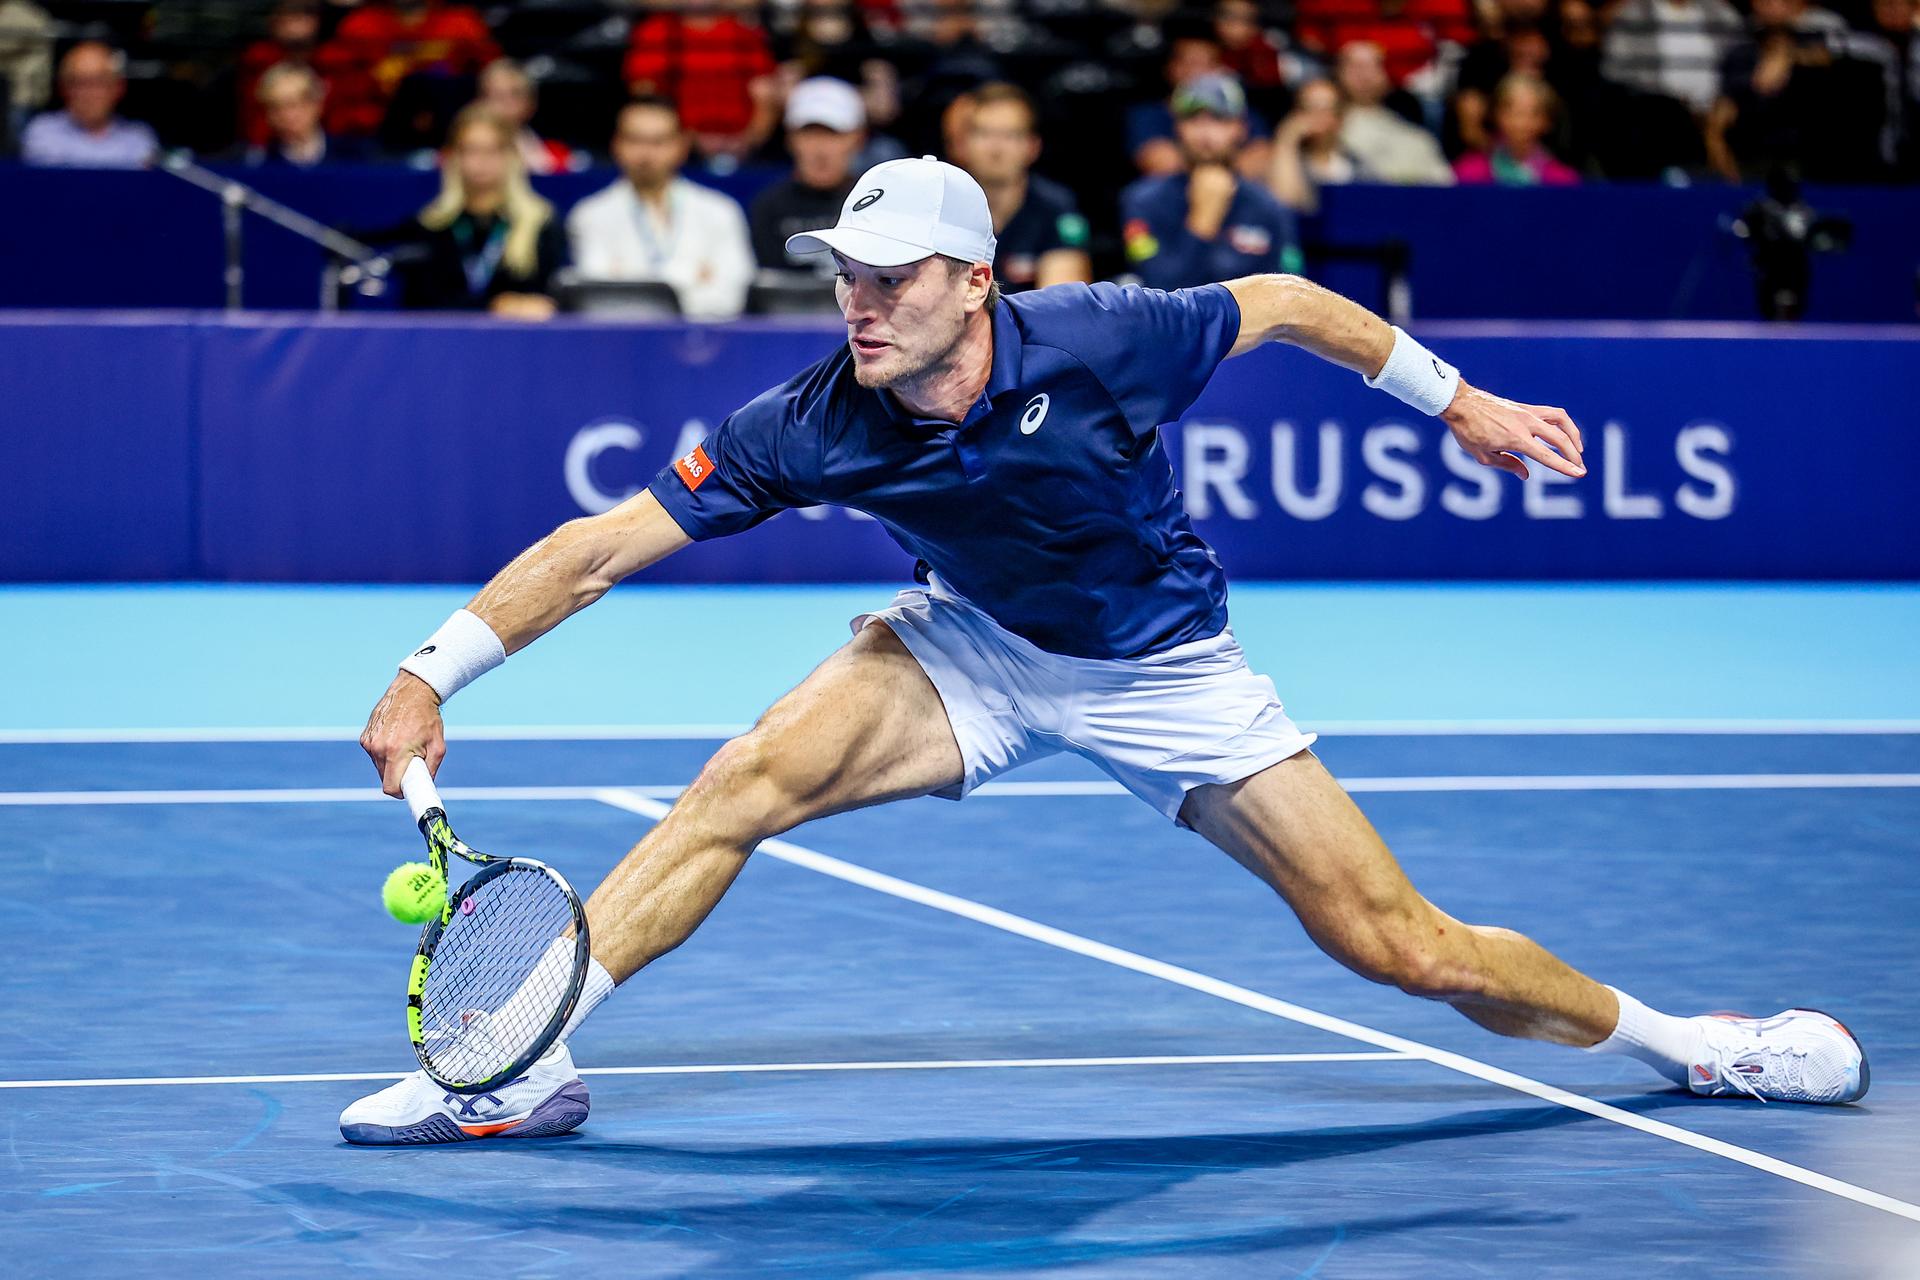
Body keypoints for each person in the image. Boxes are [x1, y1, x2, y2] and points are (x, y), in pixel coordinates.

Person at [342, 153, 1869, 1143]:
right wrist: (430, 671)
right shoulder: (808, 421)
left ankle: (1702, 1047)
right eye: (842, 277)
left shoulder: (1106, 336)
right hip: (972, 647)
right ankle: (521, 1053)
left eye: (890, 281)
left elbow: (1276, 303)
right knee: (740, 783)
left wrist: (1451, 399)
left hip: (1169, 675)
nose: (856, 305)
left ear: (973, 282)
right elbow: (603, 546)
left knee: (1401, 946)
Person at [566, 97, 756, 320]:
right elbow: (600, 298)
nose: (645, 154)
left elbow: (733, 297)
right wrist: (692, 276)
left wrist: (630, 278)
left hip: (702, 346)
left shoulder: (720, 211)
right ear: (616, 143)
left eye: (658, 141)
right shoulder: (590, 214)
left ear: (682, 145)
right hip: (621, 346)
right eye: (635, 140)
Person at [373, 104, 565, 316]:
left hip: (519, 344)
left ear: (511, 155)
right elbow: (419, 304)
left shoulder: (539, 222)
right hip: (443, 343)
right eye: (471, 150)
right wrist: (494, 306)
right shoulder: (431, 225)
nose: (481, 161)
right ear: (454, 156)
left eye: (492, 150)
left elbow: (551, 301)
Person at [1120, 73, 1302, 292]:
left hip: (1248, 326)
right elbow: (1156, 289)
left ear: (1240, 128)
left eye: (1219, 120)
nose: (1205, 134)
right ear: (1177, 127)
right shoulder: (1143, 201)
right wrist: (1203, 219)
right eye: (1193, 120)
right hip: (1173, 326)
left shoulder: (1269, 207)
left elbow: (1291, 295)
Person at [959, 82, 1091, 293]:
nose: (996, 148)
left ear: (1033, 146)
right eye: (984, 133)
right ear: (963, 144)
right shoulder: (942, 205)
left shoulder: (1056, 207)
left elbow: (1060, 304)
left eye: (1010, 135)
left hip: (1026, 325)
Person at [624, 0, 779, 162]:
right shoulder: (656, 32)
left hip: (741, 147)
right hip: (674, 145)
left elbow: (765, 96)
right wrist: (684, 139)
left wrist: (750, 139)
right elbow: (646, 97)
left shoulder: (745, 33)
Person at [749, 77, 864, 277]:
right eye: (809, 134)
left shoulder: (875, 204)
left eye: (832, 134)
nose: (820, 149)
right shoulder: (768, 207)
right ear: (790, 139)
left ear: (857, 138)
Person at [1333, 40, 1455, 183]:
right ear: (1338, 73)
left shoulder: (1417, 139)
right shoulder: (1323, 129)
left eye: (1373, 66)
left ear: (1385, 75)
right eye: (1355, 66)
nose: (1364, 75)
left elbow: (1443, 188)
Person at [20, 42, 156, 168]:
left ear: (118, 88)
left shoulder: (139, 139)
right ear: (63, 88)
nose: (88, 93)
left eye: (99, 82)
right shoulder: (42, 133)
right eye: (79, 82)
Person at [1267, 76, 1372, 212]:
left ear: (1341, 117)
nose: (1318, 116)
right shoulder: (1281, 159)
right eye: (1310, 108)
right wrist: (1287, 139)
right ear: (1296, 114)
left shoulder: (1357, 166)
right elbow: (1284, 205)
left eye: (1327, 108)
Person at [1453, 72, 1580, 183]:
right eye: (1514, 113)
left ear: (1547, 121)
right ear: (1497, 115)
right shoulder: (1469, 171)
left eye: (1533, 114)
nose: (1522, 123)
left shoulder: (1562, 179)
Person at [243, 62, 364, 167]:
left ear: (317, 104)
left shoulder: (355, 155)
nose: (286, 115)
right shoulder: (257, 162)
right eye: (275, 107)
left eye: (293, 104)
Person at [478, 59, 578, 175]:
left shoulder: (556, 155)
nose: (505, 102)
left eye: (514, 94)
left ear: (531, 103)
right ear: (480, 102)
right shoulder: (460, 153)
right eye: (496, 95)